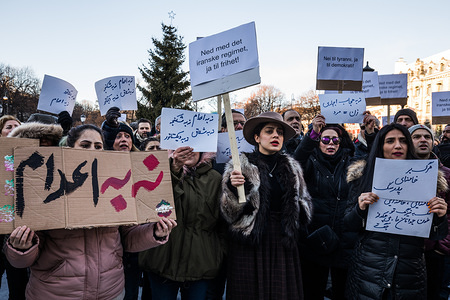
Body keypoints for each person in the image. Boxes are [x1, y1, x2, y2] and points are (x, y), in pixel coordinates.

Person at [4, 124, 177, 299]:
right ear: (70, 148)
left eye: (98, 146)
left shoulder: (114, 184)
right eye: (85, 145)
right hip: (56, 293)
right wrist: (22, 248)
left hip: (110, 291)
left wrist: (154, 232)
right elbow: (22, 260)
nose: (92, 150)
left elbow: (127, 238)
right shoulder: (48, 185)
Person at [345, 123, 448, 299]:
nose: (398, 146)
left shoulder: (427, 179)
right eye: (390, 141)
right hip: (369, 271)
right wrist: (359, 209)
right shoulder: (362, 177)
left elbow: (435, 235)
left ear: (409, 146)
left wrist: (440, 217)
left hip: (409, 273)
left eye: (402, 141)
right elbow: (347, 225)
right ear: (380, 146)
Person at [221, 111, 312, 299]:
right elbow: (229, 213)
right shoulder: (240, 165)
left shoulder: (292, 167)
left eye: (279, 132)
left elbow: (305, 203)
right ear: (257, 137)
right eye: (269, 131)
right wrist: (234, 189)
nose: (275, 136)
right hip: (250, 242)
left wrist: (296, 219)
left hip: (282, 241)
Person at [139, 147, 225, 299]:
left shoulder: (216, 179)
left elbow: (223, 222)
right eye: (183, 144)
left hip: (200, 264)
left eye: (195, 145)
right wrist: (173, 170)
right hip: (162, 260)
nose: (189, 150)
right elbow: (153, 206)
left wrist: (217, 253)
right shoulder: (159, 171)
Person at [294, 114, 357, 300]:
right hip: (315, 238)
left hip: (344, 239)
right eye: (326, 139)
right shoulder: (309, 163)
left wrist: (369, 134)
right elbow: (296, 160)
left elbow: (373, 157)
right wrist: (312, 133)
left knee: (343, 292)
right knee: (313, 291)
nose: (331, 143)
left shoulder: (352, 163)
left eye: (335, 140)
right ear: (318, 141)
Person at [408, 124, 450, 300]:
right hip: (405, 248)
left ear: (433, 142)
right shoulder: (393, 172)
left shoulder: (447, 174)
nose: (423, 140)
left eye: (427, 136)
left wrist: (443, 245)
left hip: (434, 250)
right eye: (416, 137)